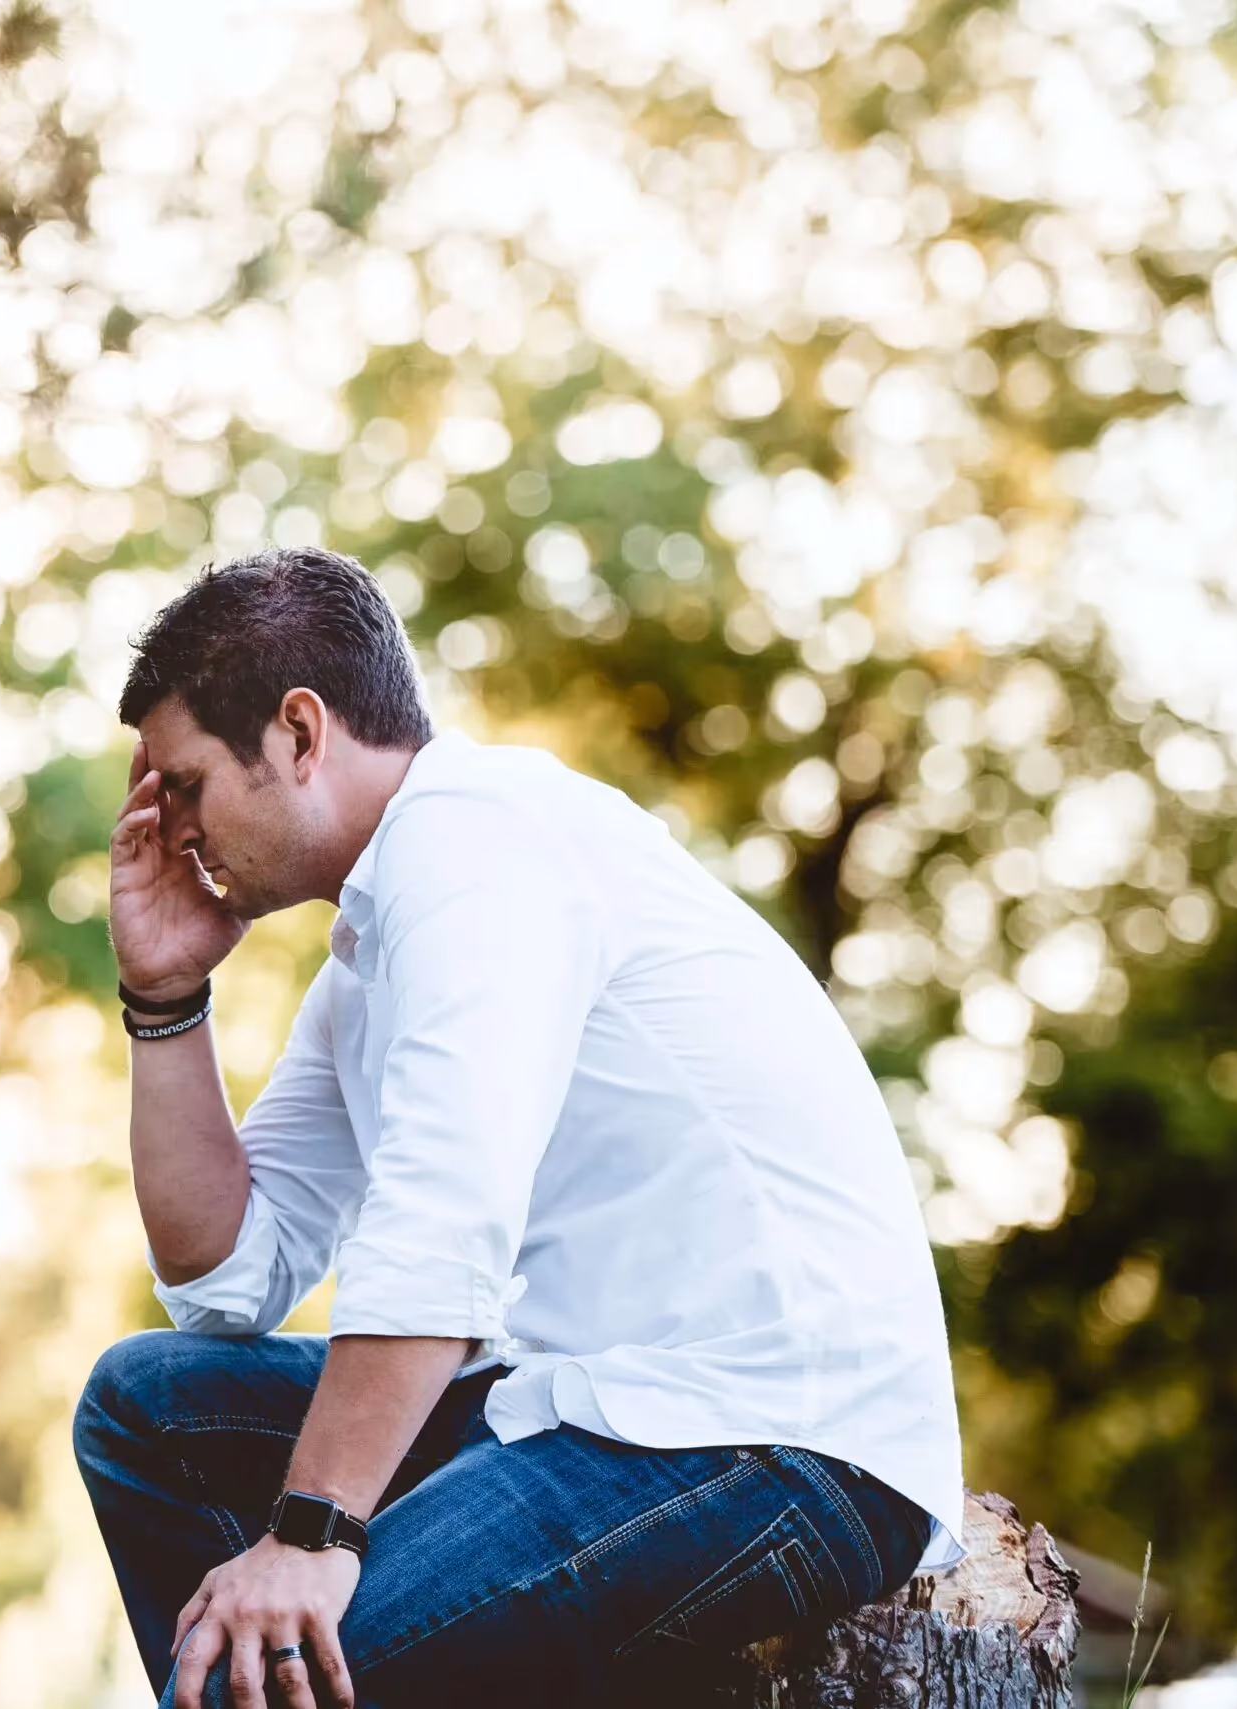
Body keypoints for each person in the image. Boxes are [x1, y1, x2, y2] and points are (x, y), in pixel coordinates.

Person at [74, 546, 964, 1709]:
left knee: (273, 1682)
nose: (174, 829)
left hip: (773, 1439)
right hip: (578, 1407)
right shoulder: (374, 950)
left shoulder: (481, 840)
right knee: (151, 1405)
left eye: (186, 782)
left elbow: (443, 1223)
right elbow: (229, 1277)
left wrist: (307, 1535)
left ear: (299, 733)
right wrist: (164, 999)